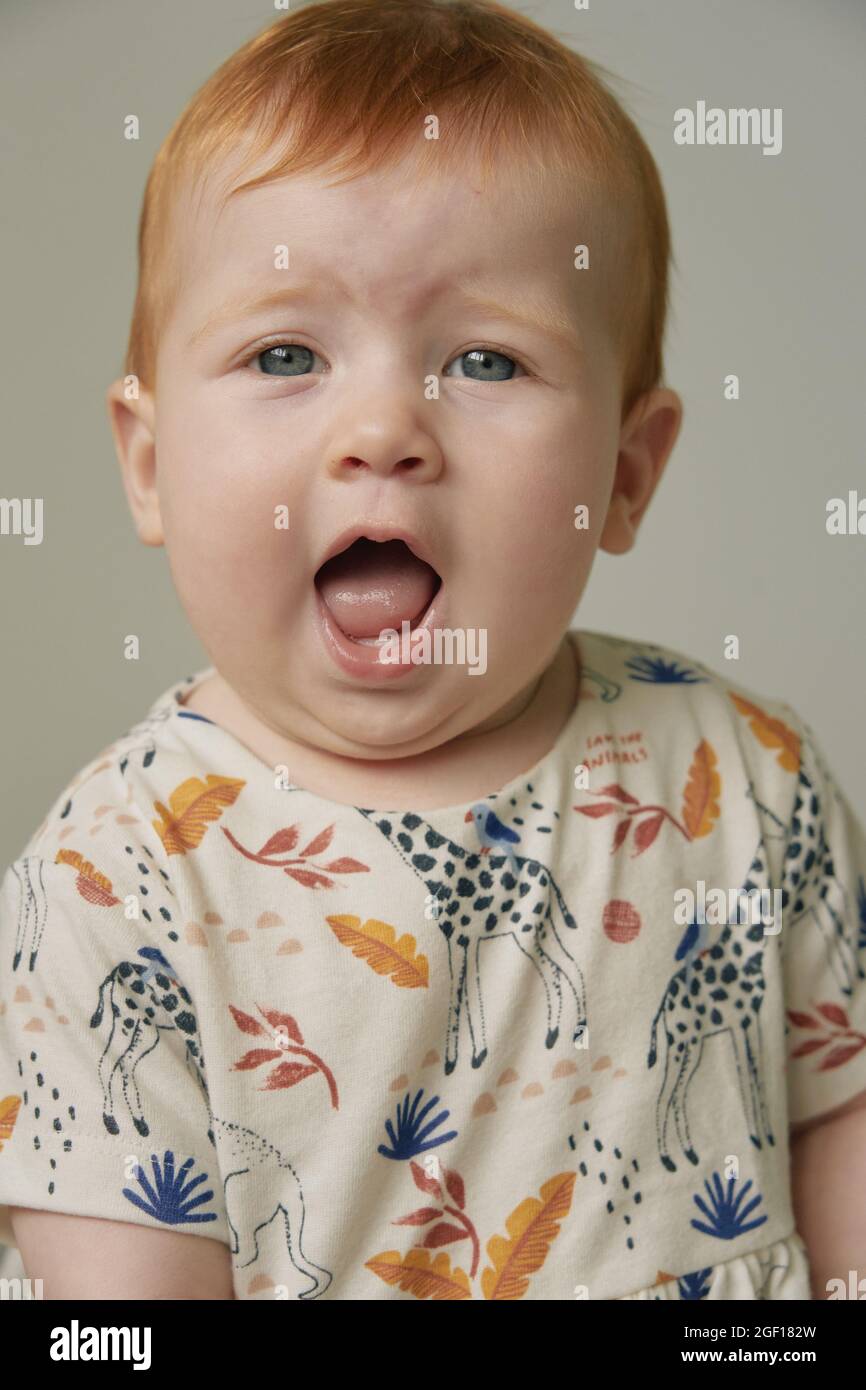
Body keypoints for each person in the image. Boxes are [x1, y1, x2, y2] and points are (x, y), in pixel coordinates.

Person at [1, 0, 863, 1301]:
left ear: (623, 475)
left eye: (484, 358)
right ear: (150, 462)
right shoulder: (109, 880)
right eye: (284, 352)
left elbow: (838, 1120)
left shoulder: (742, 778)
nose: (383, 430)